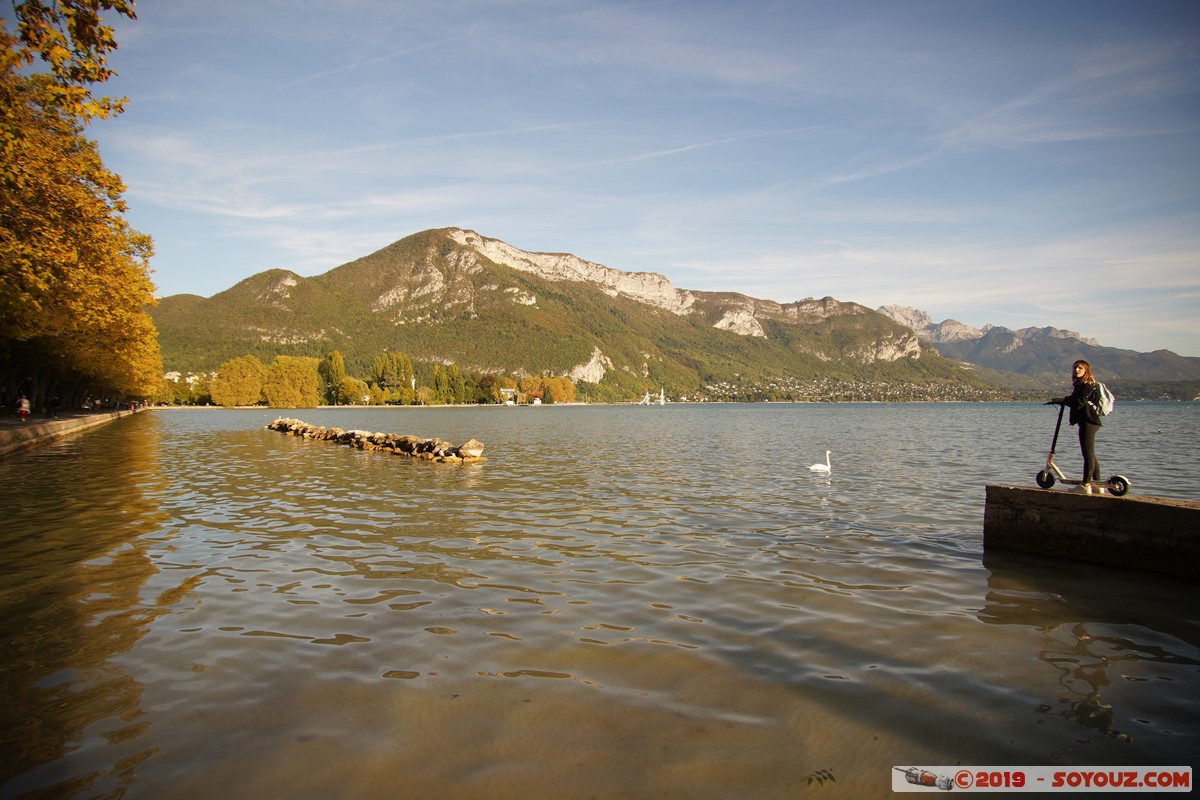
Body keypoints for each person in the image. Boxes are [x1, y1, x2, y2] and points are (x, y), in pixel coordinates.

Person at [1047, 360, 1103, 493]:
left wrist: (1063, 400)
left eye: (1080, 368)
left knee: (1087, 453)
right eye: (1075, 368)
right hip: (1087, 421)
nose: (1077, 370)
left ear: (1086, 371)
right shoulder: (1081, 385)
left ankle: (1085, 485)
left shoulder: (1087, 385)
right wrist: (1063, 400)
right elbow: (1076, 400)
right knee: (1090, 454)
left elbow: (1079, 403)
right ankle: (1097, 485)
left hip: (1089, 422)